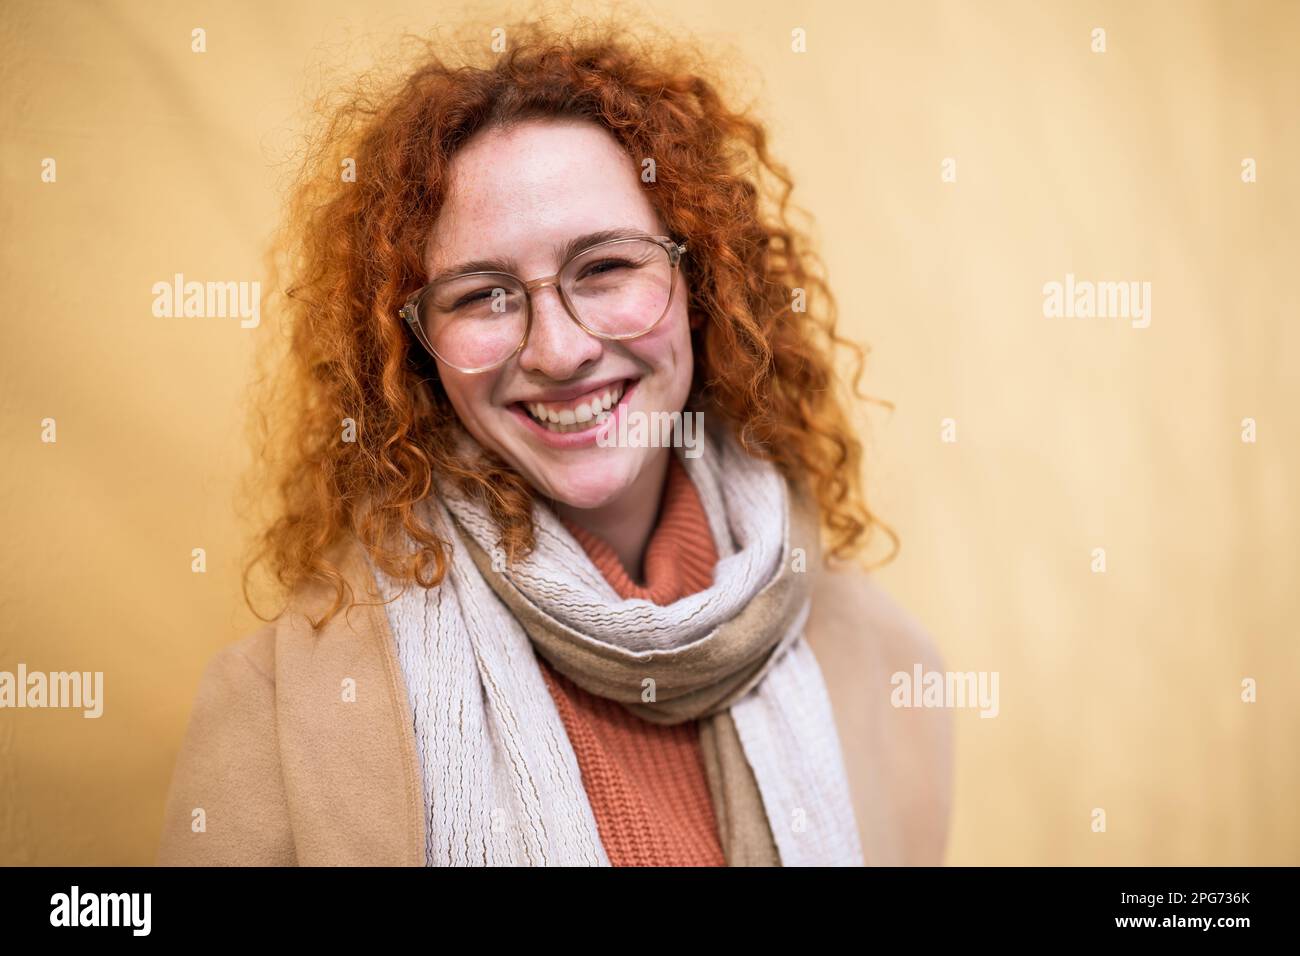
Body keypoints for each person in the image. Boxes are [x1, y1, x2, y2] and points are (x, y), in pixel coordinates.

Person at [156, 18, 952, 867]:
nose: (559, 349)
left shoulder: (882, 666)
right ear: (417, 348)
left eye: (606, 268)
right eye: (482, 295)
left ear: (701, 281)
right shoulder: (284, 714)